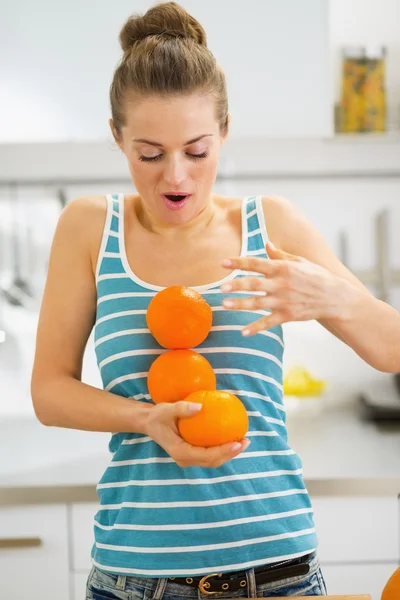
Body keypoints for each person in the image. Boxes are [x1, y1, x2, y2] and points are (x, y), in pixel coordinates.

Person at [31, 2, 400, 598]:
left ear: (224, 131)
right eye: (149, 153)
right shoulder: (88, 229)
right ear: (116, 136)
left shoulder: (270, 222)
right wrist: (146, 419)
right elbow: (49, 391)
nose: (175, 176)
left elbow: (392, 350)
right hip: (135, 576)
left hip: (278, 573)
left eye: (196, 151)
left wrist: (334, 297)